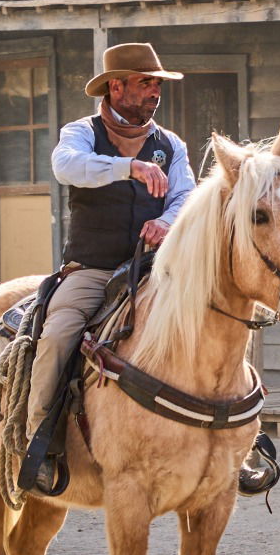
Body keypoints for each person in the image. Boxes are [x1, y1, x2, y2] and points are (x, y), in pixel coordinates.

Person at [22, 42, 196, 494]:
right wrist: (128, 168)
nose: (155, 91)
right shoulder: (80, 133)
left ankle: (241, 440)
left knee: (216, 316)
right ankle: (39, 441)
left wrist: (166, 220)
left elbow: (187, 196)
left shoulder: (170, 144)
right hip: (93, 269)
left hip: (156, 271)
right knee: (58, 334)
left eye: (157, 84)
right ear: (116, 86)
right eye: (146, 83)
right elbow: (67, 167)